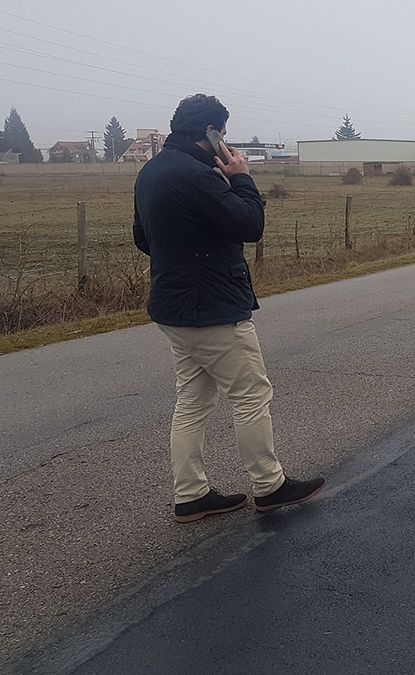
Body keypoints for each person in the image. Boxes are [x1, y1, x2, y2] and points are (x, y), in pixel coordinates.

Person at [133, 94, 325, 523]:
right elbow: (250, 225)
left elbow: (143, 239)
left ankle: (191, 494)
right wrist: (241, 177)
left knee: (193, 399)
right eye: (224, 132)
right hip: (213, 307)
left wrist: (186, 249)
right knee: (251, 395)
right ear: (212, 133)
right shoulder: (199, 176)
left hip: (172, 306)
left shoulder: (151, 172)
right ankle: (270, 486)